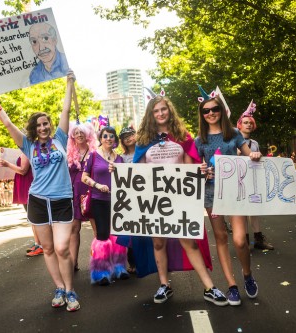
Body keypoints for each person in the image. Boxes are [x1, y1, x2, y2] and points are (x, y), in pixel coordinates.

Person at [0, 71, 80, 312]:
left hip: (61, 200)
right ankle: (59, 287)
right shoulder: (28, 145)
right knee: (47, 248)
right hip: (38, 201)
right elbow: (7, 124)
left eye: (45, 123)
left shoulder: (60, 138)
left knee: (62, 248)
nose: (43, 127)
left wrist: (69, 83)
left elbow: (66, 111)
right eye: (38, 125)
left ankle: (70, 290)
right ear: (34, 129)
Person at [129, 95, 228, 306]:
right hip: (154, 199)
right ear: (150, 115)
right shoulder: (144, 140)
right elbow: (138, 171)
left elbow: (189, 166)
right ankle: (164, 285)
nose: (160, 114)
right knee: (158, 241)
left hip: (179, 197)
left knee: (188, 242)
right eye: (155, 111)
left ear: (169, 110)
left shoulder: (183, 136)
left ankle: (209, 287)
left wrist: (198, 169)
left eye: (163, 109)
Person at [195, 87, 261, 306]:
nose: (211, 113)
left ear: (221, 110)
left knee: (240, 240)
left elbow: (246, 153)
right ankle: (232, 286)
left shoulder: (233, 133)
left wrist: (254, 154)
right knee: (221, 237)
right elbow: (195, 167)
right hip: (211, 195)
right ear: (202, 115)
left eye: (214, 109)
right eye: (206, 111)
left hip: (235, 192)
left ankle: (247, 274)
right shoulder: (199, 140)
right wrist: (201, 168)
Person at [82, 126, 130, 286]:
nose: (108, 139)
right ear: (100, 139)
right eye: (105, 136)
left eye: (111, 136)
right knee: (102, 234)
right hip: (99, 199)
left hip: (118, 201)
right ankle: (100, 272)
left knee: (118, 234)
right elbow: (84, 177)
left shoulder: (120, 159)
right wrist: (97, 185)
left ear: (115, 140)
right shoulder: (93, 156)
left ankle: (119, 268)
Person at [236, 102, 274, 251]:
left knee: (254, 211)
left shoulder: (255, 143)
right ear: (239, 125)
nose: (248, 125)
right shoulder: (233, 141)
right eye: (245, 122)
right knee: (242, 212)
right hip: (238, 182)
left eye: (250, 123)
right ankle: (244, 240)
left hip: (253, 181)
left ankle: (258, 239)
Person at [67, 122, 97, 271]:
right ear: (72, 135)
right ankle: (73, 262)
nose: (79, 135)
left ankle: (99, 262)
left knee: (96, 229)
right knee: (74, 229)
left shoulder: (95, 152)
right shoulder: (69, 153)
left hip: (92, 194)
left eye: (82, 132)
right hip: (74, 195)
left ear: (88, 135)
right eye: (76, 132)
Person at [0, 154, 41, 257]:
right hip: (25, 184)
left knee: (34, 218)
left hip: (27, 185)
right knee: (32, 218)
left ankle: (40, 245)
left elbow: (23, 170)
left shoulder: (26, 152)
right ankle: (37, 243)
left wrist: (7, 164)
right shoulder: (23, 151)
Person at [118, 126, 137, 273]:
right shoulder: (121, 158)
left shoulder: (145, 152)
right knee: (131, 232)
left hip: (146, 197)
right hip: (129, 198)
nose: (129, 138)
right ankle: (132, 263)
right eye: (125, 137)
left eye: (131, 134)